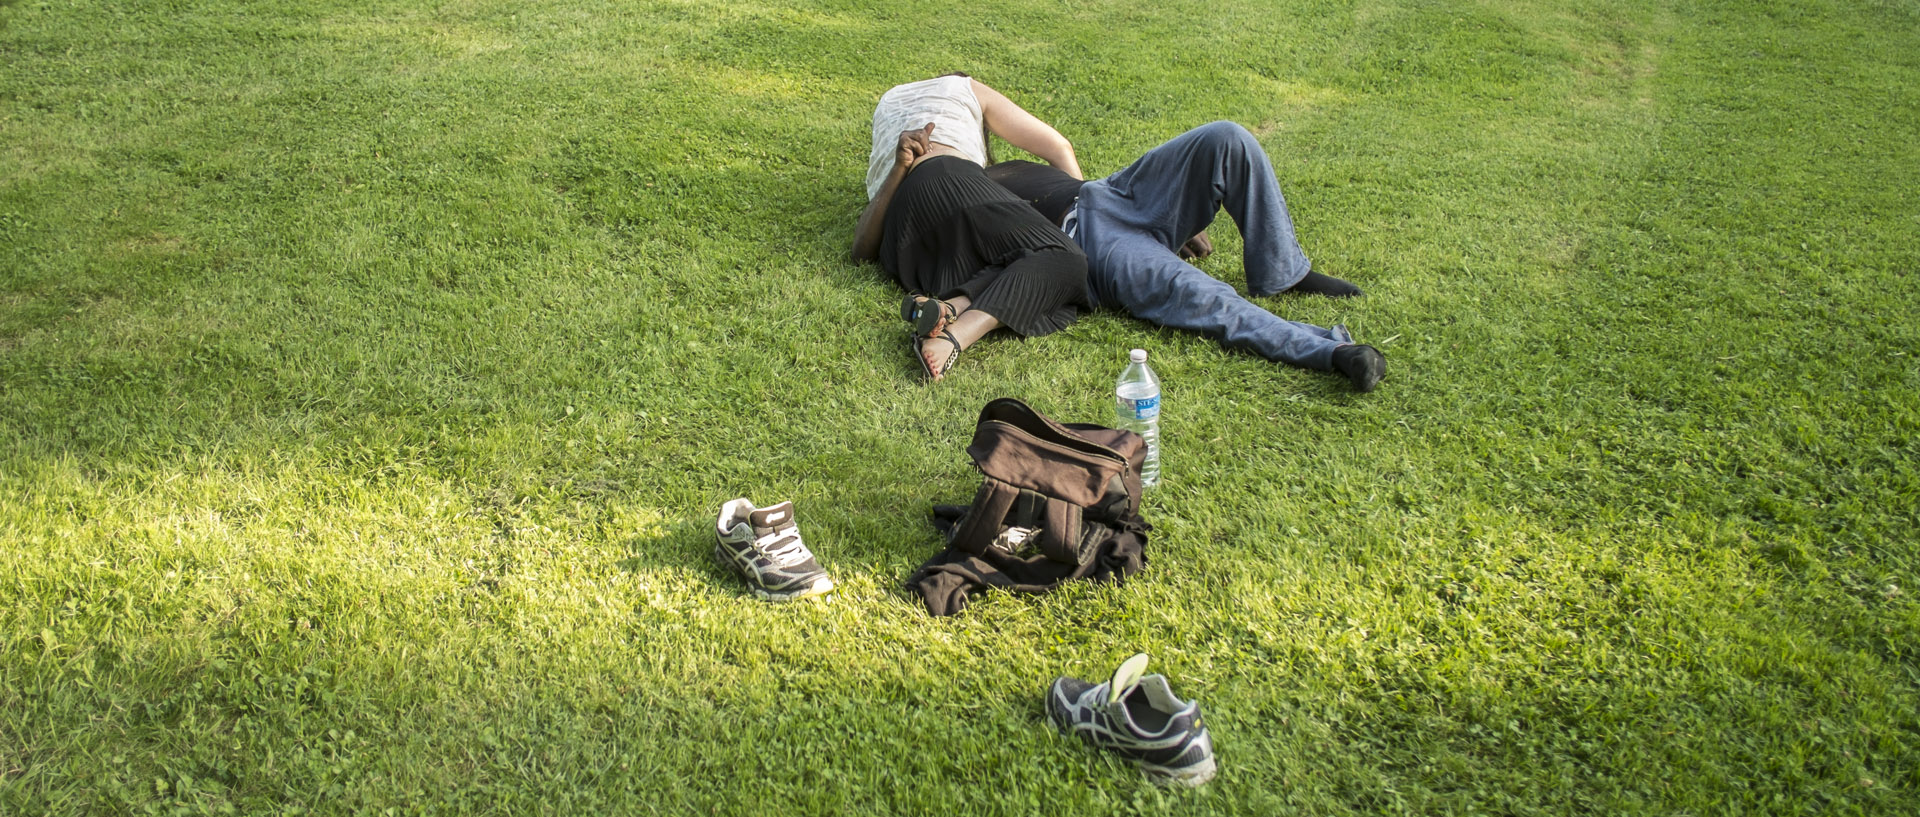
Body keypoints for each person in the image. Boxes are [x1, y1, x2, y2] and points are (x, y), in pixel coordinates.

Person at [985, 121, 1387, 391]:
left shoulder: (999, 163)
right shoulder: (947, 194)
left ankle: (1285, 272)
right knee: (1198, 293)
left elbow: (1063, 158)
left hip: (1110, 195)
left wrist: (1172, 215)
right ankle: (1331, 352)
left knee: (1226, 138)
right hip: (1092, 244)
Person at [852, 74, 1091, 381]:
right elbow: (1059, 147)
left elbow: (861, 251)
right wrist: (1083, 203)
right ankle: (954, 337)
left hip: (903, 239)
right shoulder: (960, 86)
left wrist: (900, 165)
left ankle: (948, 308)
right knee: (1066, 258)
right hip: (950, 178)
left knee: (1014, 268)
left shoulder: (889, 100)